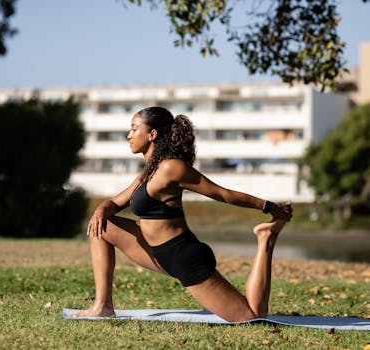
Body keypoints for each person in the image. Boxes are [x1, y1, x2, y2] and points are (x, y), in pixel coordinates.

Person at [72, 106, 293, 322]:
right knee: (100, 228)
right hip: (155, 251)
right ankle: (103, 306)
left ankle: (266, 238)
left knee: (251, 316)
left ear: (152, 134)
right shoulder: (148, 171)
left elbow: (222, 194)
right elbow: (114, 203)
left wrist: (269, 207)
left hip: (182, 257)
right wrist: (100, 210)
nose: (129, 135)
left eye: (134, 129)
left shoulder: (171, 167)